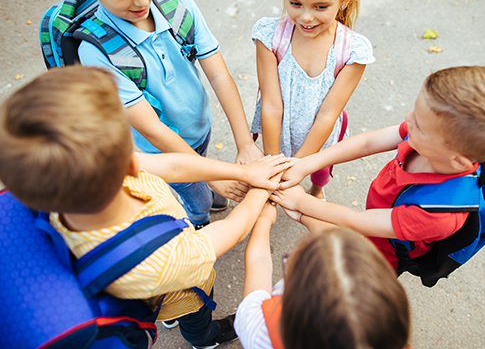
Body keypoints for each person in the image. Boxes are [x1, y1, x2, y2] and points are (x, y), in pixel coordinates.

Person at [0, 66, 292, 349]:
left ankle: (168, 315)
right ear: (126, 163)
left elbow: (172, 164)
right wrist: (259, 194)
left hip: (144, 280)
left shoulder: (67, 181)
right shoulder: (165, 259)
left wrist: (242, 173)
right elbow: (233, 229)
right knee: (195, 313)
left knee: (166, 302)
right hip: (178, 285)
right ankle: (204, 339)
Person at [59, 0, 263, 228]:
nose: (141, 0)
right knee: (198, 198)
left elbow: (219, 75)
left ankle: (202, 188)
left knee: (200, 166)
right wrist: (212, 176)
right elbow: (153, 130)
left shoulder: (177, 5)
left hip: (198, 128)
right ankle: (197, 221)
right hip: (161, 153)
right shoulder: (96, 53)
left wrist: (245, 144)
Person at [272, 66, 485, 273]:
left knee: (346, 259)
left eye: (419, 125)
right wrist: (307, 163)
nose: (408, 121)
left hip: (383, 251)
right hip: (381, 217)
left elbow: (355, 222)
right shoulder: (430, 138)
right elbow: (368, 142)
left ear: (458, 161)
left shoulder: (437, 213)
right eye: (415, 112)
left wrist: (302, 204)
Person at [250, 0, 374, 200]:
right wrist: (275, 167)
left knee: (320, 171)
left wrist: (301, 166)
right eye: (295, 3)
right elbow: (272, 106)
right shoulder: (269, 36)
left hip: (322, 135)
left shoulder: (352, 51)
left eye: (320, 7)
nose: (306, 17)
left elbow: (328, 114)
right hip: (277, 132)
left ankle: (317, 188)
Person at [234, 206, 411, 349]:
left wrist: (264, 218)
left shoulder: (258, 332)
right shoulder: (385, 336)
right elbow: (338, 245)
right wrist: (302, 213)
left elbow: (258, 262)